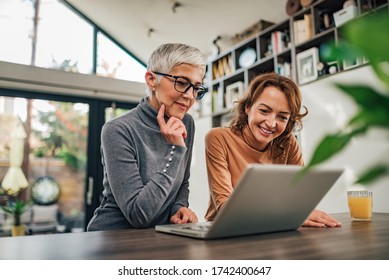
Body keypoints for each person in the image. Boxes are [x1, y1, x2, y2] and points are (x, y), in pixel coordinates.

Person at [87, 43, 206, 231]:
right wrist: (175, 151)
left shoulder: (187, 123)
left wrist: (179, 208)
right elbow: (138, 215)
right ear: (151, 79)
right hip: (115, 238)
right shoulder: (118, 130)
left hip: (160, 235)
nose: (190, 96)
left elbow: (182, 182)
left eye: (196, 88)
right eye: (182, 83)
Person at [205, 72, 341, 228]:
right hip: (225, 232)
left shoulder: (288, 142)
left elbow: (300, 199)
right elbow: (225, 208)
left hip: (274, 228)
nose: (271, 123)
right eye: (264, 111)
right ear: (248, 107)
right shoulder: (218, 138)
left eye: (282, 117)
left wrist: (302, 213)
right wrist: (291, 215)